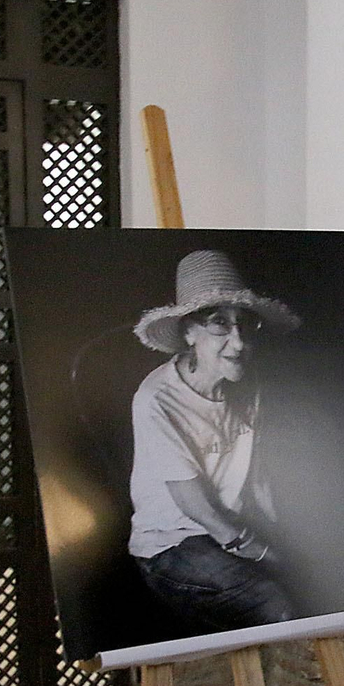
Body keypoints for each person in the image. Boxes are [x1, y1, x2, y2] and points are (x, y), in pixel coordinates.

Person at [128, 248, 301, 632]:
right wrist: (261, 552)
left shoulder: (247, 383)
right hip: (173, 544)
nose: (238, 343)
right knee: (275, 605)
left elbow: (255, 476)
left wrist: (284, 538)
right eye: (219, 324)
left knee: (311, 575)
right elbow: (197, 507)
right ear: (189, 332)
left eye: (245, 324)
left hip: (230, 525)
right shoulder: (158, 399)